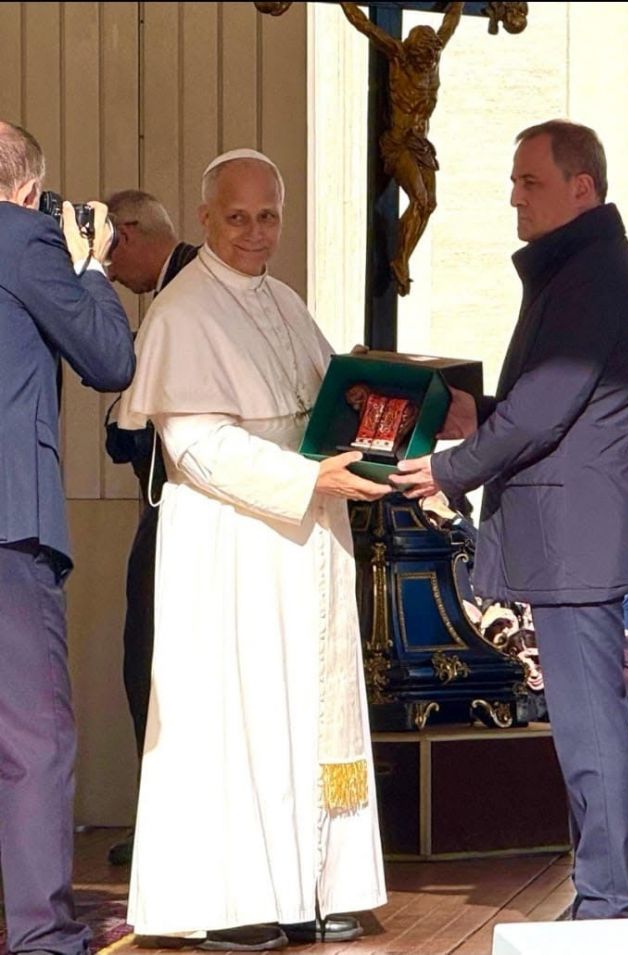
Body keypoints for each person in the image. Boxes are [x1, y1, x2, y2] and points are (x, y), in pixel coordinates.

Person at [118, 149, 388, 947]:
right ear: (204, 219)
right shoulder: (181, 312)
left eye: (268, 215)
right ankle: (234, 899)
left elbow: (324, 406)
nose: (254, 232)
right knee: (236, 710)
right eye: (237, 217)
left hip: (303, 537)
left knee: (307, 707)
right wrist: (309, 482)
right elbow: (195, 445)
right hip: (230, 543)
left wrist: (375, 434)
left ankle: (318, 885)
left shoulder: (287, 301)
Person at [391, 120, 628, 919]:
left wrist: (443, 469)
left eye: (529, 181)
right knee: (583, 720)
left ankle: (607, 896)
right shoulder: (585, 267)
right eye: (513, 180)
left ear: (583, 188)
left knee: (586, 723)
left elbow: (547, 409)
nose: (513, 194)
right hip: (572, 525)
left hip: (573, 532)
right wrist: (480, 413)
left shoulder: (589, 274)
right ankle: (602, 889)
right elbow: (558, 406)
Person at [0, 120, 134, 955]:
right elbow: (110, 360)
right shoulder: (22, 237)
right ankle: (43, 931)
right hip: (8, 526)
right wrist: (86, 259)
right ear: (26, 187)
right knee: (32, 734)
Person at [101, 189, 200, 867]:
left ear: (131, 232)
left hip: (182, 511)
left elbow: (131, 429)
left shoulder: (180, 296)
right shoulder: (191, 284)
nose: (107, 267)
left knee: (152, 661)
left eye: (109, 250)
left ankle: (167, 824)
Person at [340, 1, 463, 295]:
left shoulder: (434, 56)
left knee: (429, 204)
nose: (429, 61)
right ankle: (400, 260)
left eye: (432, 56)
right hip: (398, 143)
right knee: (420, 200)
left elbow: (451, 22)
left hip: (421, 144)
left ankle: (401, 255)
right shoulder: (399, 56)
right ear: (414, 51)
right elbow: (364, 24)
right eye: (424, 56)